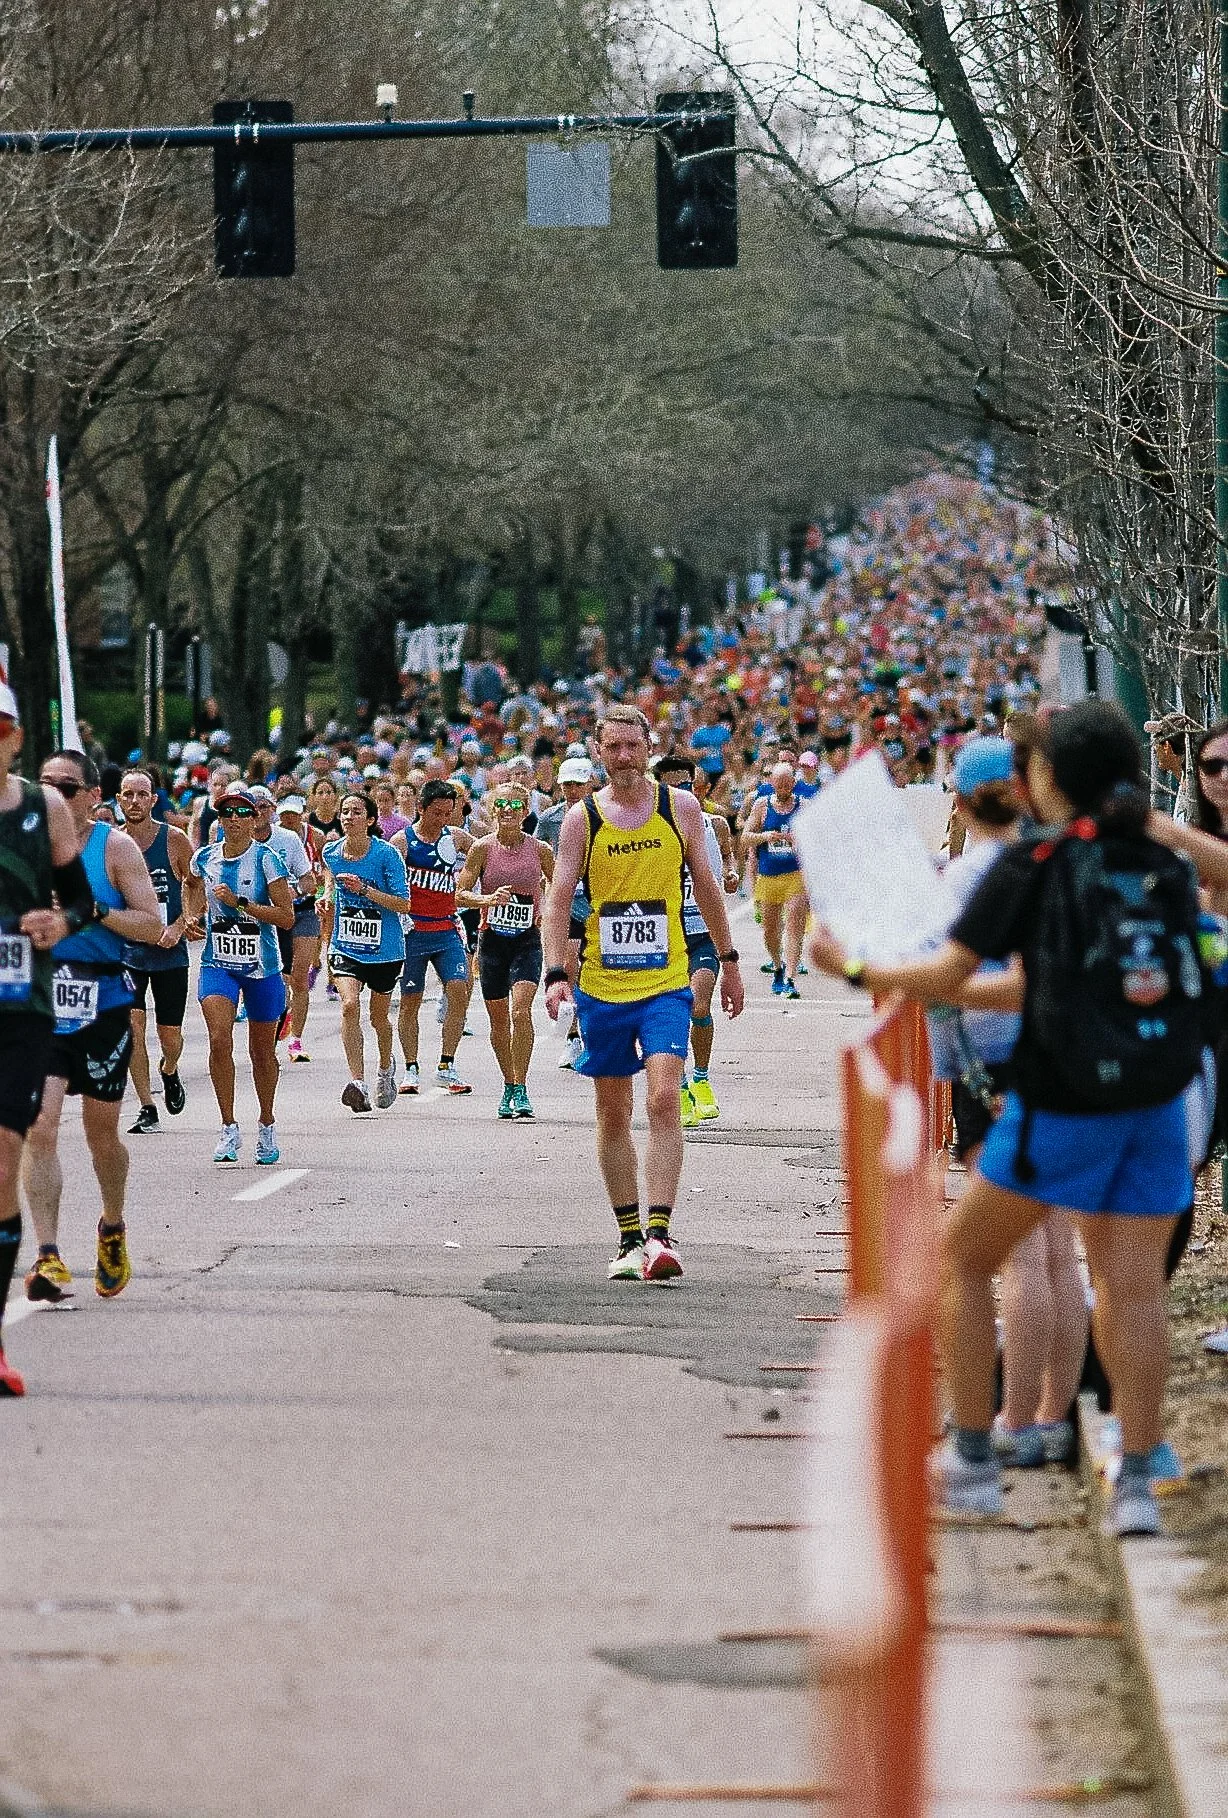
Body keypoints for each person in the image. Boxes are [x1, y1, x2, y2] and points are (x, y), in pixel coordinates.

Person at [811, 701, 1208, 1537]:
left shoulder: (1031, 864)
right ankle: (1136, 1478)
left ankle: (973, 1458)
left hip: (1062, 1099)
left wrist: (853, 965)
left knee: (965, 1255)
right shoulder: (1165, 868)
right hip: (1156, 1100)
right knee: (1132, 1287)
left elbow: (954, 973)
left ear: (1045, 779)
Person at [543, 704, 745, 1283]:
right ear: (600, 752)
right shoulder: (582, 819)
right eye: (614, 748)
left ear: (647, 748)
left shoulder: (679, 808)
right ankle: (628, 1236)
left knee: (661, 1097)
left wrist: (729, 961)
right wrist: (557, 970)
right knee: (612, 1109)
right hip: (604, 983)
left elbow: (706, 886)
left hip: (666, 981)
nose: (625, 758)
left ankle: (659, 1233)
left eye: (634, 747)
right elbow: (559, 898)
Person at [929, 737, 1087, 1468]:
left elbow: (940, 983)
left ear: (959, 802)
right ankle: (1054, 1415)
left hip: (990, 1066)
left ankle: (1016, 1422)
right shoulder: (1061, 865)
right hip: (1067, 1061)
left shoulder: (962, 880)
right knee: (1057, 1250)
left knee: (1019, 1256)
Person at [22, 750, 164, 1308]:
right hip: (40, 999)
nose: (54, 793)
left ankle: (112, 1225)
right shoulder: (24, 845)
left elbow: (152, 926)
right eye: (45, 783)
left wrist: (89, 912)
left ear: (92, 796)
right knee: (41, 1124)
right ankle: (48, 1252)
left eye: (67, 785)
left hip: (103, 998)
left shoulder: (115, 847)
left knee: (100, 1131)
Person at [0, 692, 93, 1392]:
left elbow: (83, 900)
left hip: (19, 1004)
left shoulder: (46, 808)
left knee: (6, 1153)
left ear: (15, 736)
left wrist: (60, 925)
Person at [183, 782, 295, 1164]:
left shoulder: (267, 860)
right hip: (219, 963)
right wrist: (190, 916)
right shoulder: (205, 857)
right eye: (226, 813)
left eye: (242, 813)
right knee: (219, 1039)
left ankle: (266, 1123)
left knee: (262, 1053)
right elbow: (191, 883)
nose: (233, 819)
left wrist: (242, 904)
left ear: (255, 819)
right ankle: (228, 1126)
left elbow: (286, 916)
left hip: (262, 966)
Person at [455, 780, 554, 1119]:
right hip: (492, 941)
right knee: (498, 1022)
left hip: (527, 940)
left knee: (520, 1012)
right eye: (501, 806)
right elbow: (460, 893)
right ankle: (508, 1084)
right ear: (492, 810)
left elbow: (561, 887)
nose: (507, 813)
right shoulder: (482, 849)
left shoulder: (540, 850)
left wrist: (551, 915)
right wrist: (487, 899)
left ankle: (522, 1087)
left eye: (515, 807)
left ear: (526, 812)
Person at [650, 753, 740, 1126]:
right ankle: (681, 1086)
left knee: (699, 1005)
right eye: (671, 786)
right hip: (665, 935)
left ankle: (701, 1079)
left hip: (703, 933)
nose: (680, 791)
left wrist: (731, 874)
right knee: (673, 1013)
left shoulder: (713, 825)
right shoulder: (648, 831)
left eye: (685, 785)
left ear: (696, 787)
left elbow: (729, 861)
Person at [323, 791, 411, 1113]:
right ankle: (357, 1082)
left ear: (370, 820)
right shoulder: (331, 852)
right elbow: (332, 882)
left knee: (378, 1018)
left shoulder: (387, 855)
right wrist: (327, 896)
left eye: (356, 811)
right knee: (349, 1005)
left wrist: (365, 890)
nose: (348, 817)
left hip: (385, 948)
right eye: (344, 811)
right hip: (346, 944)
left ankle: (385, 1068)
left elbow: (403, 903)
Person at [118, 768, 193, 1134]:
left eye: (141, 794)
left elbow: (197, 887)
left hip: (168, 952)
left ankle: (170, 1069)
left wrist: (179, 926)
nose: (134, 801)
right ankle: (147, 1105)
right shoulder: (112, 843)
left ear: (153, 799)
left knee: (170, 1037)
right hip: (128, 953)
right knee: (132, 1027)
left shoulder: (174, 840)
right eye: (127, 794)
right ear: (118, 800)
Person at [392, 780, 477, 1096]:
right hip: (413, 932)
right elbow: (389, 879)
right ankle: (411, 1068)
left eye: (448, 813)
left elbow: (485, 852)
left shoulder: (455, 837)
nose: (443, 819)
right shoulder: (402, 841)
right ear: (421, 808)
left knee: (459, 989)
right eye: (437, 812)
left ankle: (447, 1064)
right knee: (410, 1001)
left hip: (446, 928)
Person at [536, 755, 594, 1070]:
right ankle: (573, 1039)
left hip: (600, 903)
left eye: (577, 784)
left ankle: (599, 1035)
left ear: (590, 784)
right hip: (567, 903)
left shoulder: (605, 814)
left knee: (598, 971)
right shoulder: (550, 818)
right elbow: (538, 852)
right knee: (569, 968)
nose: (571, 790)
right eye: (566, 785)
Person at [741, 760, 808, 998]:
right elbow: (745, 838)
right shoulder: (762, 805)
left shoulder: (804, 805)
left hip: (795, 875)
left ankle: (790, 978)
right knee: (770, 932)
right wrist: (766, 836)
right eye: (778, 785)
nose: (782, 789)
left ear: (793, 783)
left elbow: (819, 840)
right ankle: (778, 966)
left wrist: (799, 841)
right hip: (768, 877)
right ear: (771, 783)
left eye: (787, 785)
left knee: (794, 927)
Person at [271, 794, 323, 1062]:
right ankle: (280, 1015)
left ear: (302, 812)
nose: (288, 819)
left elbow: (322, 877)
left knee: (300, 977)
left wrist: (321, 892)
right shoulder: (267, 838)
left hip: (305, 910)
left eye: (293, 813)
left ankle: (296, 1040)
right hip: (276, 915)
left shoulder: (315, 837)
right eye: (284, 814)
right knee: (281, 979)